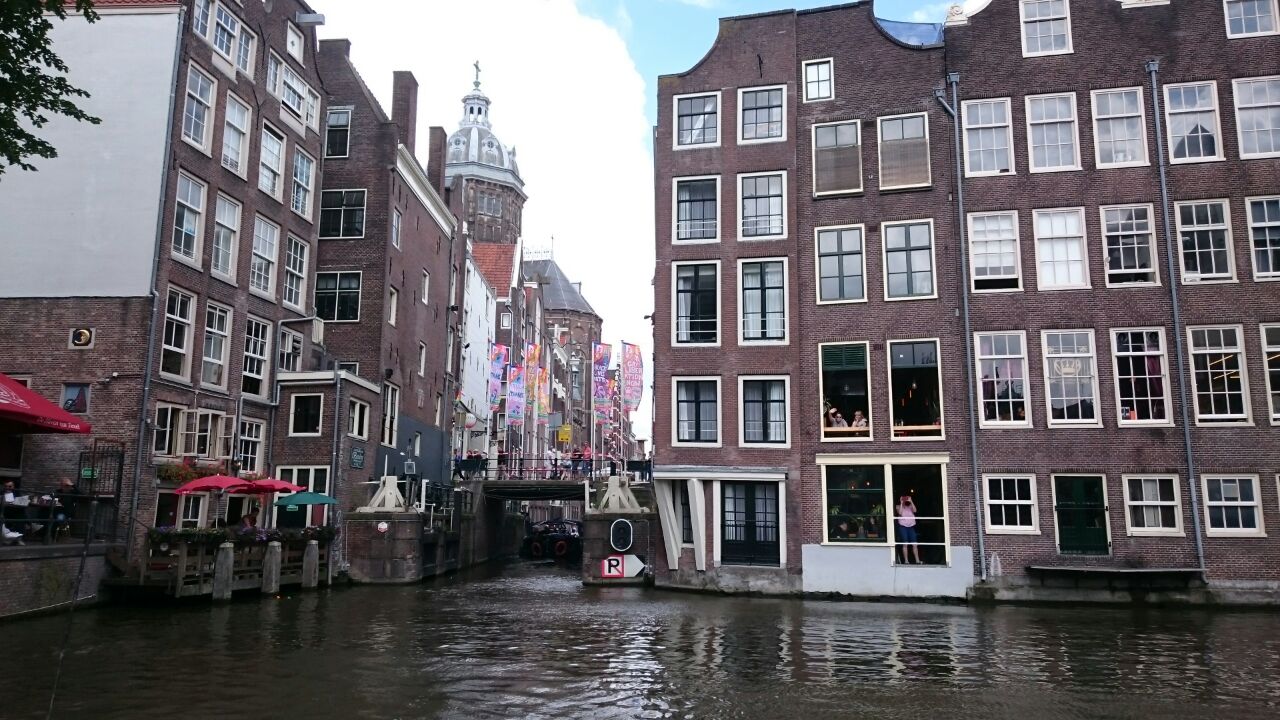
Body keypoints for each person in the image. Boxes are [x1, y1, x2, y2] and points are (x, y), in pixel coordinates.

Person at [896, 495, 921, 565]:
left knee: (915, 544)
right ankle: (906, 561)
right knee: (905, 544)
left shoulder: (910, 506)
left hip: (911, 527)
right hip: (903, 527)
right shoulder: (898, 506)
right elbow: (900, 513)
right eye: (904, 499)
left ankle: (917, 560)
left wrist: (911, 501)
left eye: (905, 499)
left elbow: (915, 510)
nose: (905, 500)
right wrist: (901, 503)